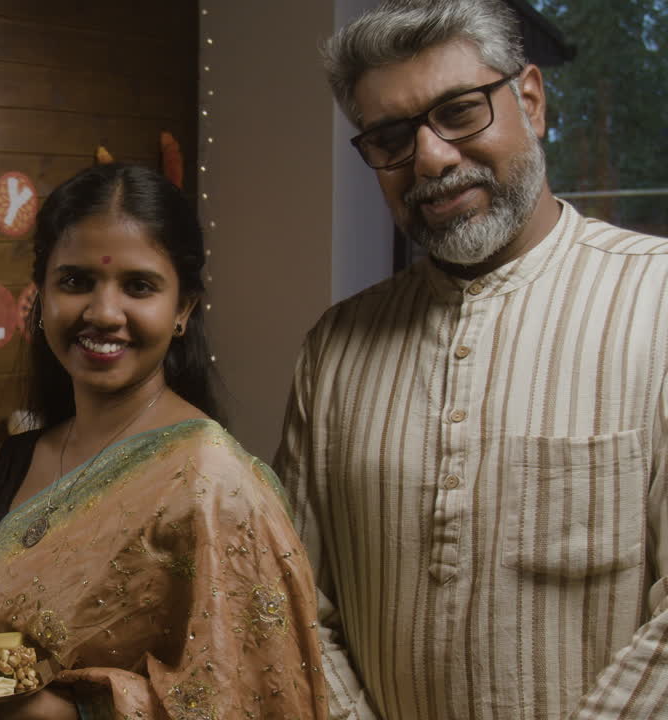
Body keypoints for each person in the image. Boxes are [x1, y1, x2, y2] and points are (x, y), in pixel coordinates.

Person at [276, 1, 668, 718]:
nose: (430, 158)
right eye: (391, 138)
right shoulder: (334, 348)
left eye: (459, 112)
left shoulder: (658, 301)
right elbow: (294, 600)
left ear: (531, 100)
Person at [0, 164, 327, 719]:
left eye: (139, 286)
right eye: (75, 281)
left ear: (183, 309)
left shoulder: (213, 484)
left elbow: (255, 701)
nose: (103, 313)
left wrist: (71, 712)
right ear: (41, 297)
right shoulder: (13, 463)